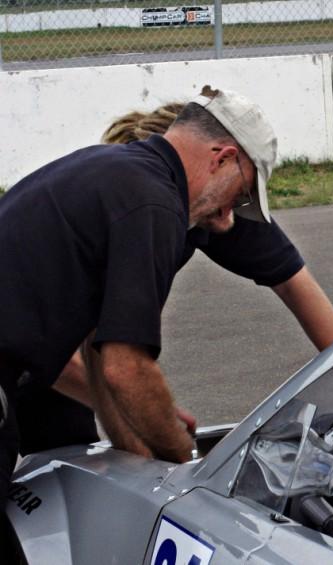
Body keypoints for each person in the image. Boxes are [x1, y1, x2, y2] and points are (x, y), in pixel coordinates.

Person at [15, 98, 333, 457]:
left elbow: (294, 281)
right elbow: (116, 365)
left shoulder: (217, 200)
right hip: (32, 365)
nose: (229, 216)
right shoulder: (149, 203)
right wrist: (155, 423)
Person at [0, 86, 284, 504]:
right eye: (238, 197)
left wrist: (137, 453)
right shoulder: (155, 205)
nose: (226, 220)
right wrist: (185, 467)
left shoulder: (115, 171)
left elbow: (101, 354)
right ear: (222, 158)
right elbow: (128, 368)